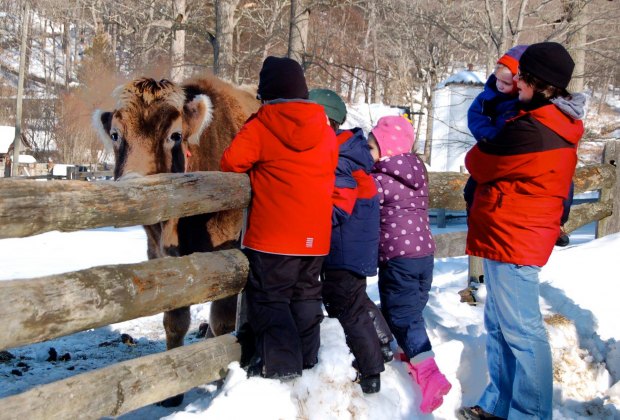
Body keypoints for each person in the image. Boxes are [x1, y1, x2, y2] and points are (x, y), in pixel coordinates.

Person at [457, 42, 585, 420]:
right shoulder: (544, 120)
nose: (518, 86)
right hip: (507, 234)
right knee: (500, 327)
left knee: (524, 334)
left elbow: (477, 162)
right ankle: (499, 405)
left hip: (516, 238)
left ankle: (530, 414)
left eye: (523, 80)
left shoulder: (534, 128)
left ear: (540, 84)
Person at [220, 56, 338, 380]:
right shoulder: (325, 129)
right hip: (315, 237)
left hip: (273, 236)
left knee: (270, 300)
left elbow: (230, 162)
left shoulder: (262, 124)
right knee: (306, 295)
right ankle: (309, 364)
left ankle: (285, 372)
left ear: (266, 91)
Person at [309, 88, 393, 394]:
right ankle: (379, 350)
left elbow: (340, 205)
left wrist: (311, 220)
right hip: (353, 246)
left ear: (325, 122)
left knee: (347, 306)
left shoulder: (340, 156)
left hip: (344, 248)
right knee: (354, 303)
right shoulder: (349, 150)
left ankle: (371, 371)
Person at [368, 115, 452, 413]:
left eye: (372, 147)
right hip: (424, 255)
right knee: (411, 310)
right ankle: (410, 356)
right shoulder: (417, 173)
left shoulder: (380, 181)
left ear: (386, 149)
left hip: (398, 258)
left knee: (404, 316)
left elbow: (360, 197)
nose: (369, 153)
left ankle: (429, 374)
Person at [466, 44, 575, 247]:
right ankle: (473, 214)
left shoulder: (531, 110)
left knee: (565, 185)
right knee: (472, 188)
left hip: (519, 231)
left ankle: (559, 223)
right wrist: (490, 137)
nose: (501, 85)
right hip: (494, 143)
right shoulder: (489, 97)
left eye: (508, 81)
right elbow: (475, 118)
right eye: (498, 79)